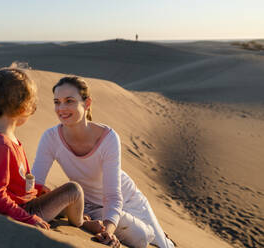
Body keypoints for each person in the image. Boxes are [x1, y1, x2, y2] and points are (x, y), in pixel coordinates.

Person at [32, 76, 176, 248]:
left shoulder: (108, 137)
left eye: (69, 101)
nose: (61, 108)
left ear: (87, 104)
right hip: (91, 207)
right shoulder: (50, 138)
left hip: (128, 198)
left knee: (165, 246)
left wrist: (108, 231)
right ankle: (150, 231)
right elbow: (36, 185)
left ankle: (160, 235)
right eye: (57, 102)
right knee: (142, 238)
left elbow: (113, 197)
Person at [0, 68, 87, 230]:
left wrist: (37, 189)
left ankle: (70, 212)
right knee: (74, 189)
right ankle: (82, 224)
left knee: (59, 193)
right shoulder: (2, 145)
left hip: (27, 201)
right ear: (23, 109)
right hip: (24, 210)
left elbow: (15, 182)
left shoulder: (2, 136)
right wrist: (28, 219)